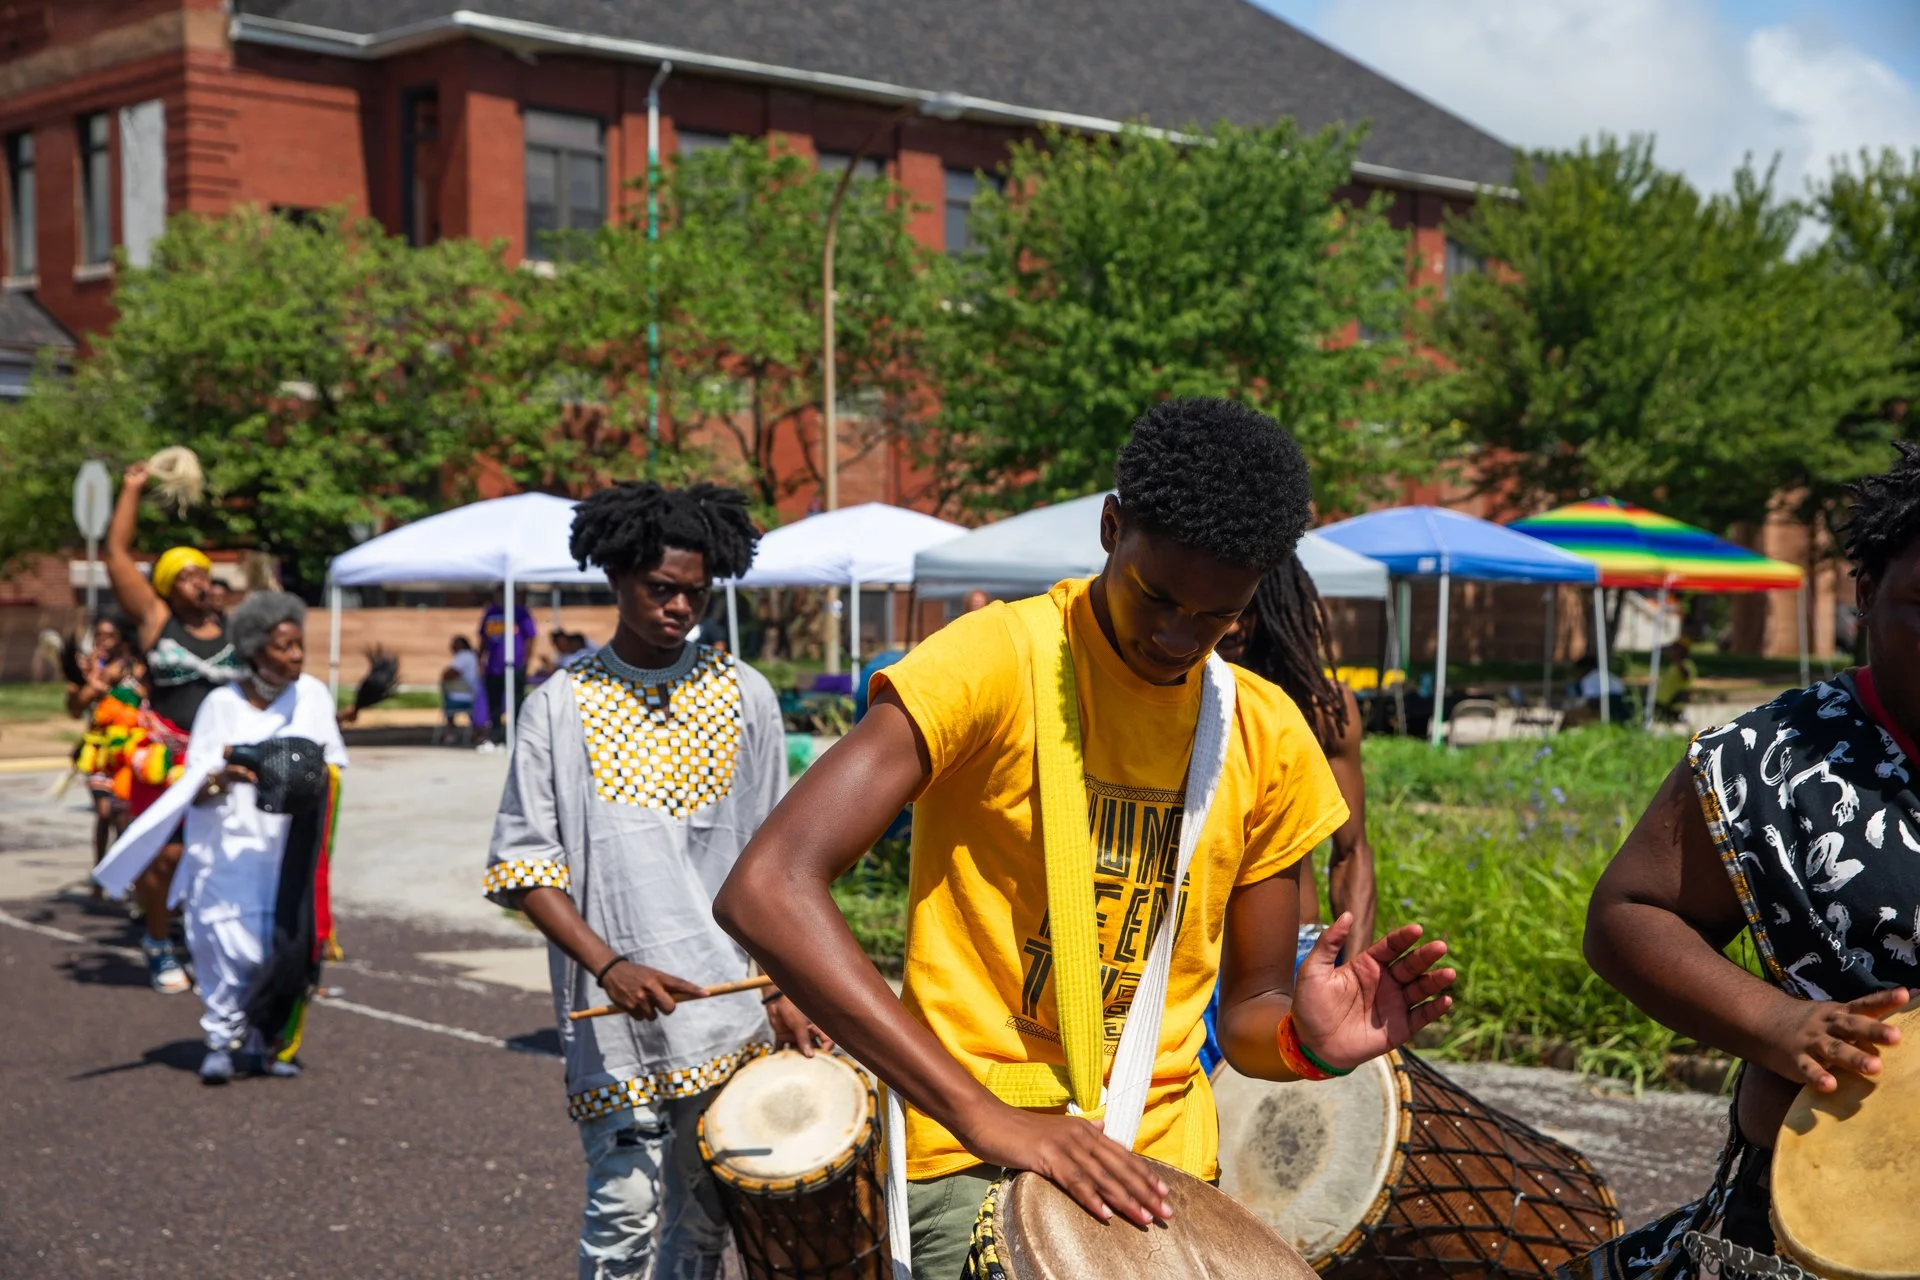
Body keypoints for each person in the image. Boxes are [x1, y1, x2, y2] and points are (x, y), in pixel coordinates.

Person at [713, 398, 1456, 1278]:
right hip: (971, 1155)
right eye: (1158, 597)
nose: (1178, 637)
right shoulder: (994, 660)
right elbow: (767, 885)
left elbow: (1250, 1008)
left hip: (1167, 1173)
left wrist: (1306, 1041)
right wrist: (988, 1118)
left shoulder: (1266, 734)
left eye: (1217, 616)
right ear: (1112, 527)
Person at [1578, 442, 1920, 1271]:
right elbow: (1628, 915)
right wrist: (1780, 1024)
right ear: (1866, 595)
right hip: (1844, 1202)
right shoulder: (1771, 760)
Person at [484, 482, 828, 1280]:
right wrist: (611, 965)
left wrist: (782, 985)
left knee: (705, 1222)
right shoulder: (557, 708)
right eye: (660, 589)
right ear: (616, 579)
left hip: (725, 1014)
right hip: (615, 1022)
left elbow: (779, 858)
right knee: (623, 1213)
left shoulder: (747, 697)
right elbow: (526, 867)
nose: (678, 607)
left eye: (694, 593)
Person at [95, 592, 349, 1084]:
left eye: (299, 646)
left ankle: (262, 1038)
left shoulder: (314, 695)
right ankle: (218, 1037)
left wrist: (303, 775)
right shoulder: (221, 704)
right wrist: (230, 774)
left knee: (279, 948)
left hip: (287, 849)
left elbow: (334, 765)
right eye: (285, 647)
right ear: (255, 651)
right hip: (226, 845)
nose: (297, 656)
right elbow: (197, 779)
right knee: (225, 945)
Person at [1194, 556, 1379, 1075]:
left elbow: (1352, 851)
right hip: (1183, 956)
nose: (1231, 624)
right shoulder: (1170, 696)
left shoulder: (1321, 708)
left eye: (1247, 608)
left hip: (1290, 961)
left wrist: (1354, 977)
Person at [104, 460, 243, 994]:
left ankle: (207, 937)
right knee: (163, 856)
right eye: (185, 576)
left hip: (221, 759)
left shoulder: (233, 627)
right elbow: (117, 555)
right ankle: (159, 944)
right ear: (165, 585)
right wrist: (132, 489)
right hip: (164, 756)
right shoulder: (157, 621)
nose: (197, 583)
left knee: (219, 855)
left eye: (202, 573)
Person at [65, 614, 143, 887]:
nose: (103, 642)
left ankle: (122, 875)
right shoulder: (88, 669)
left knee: (124, 817)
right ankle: (100, 873)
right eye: (99, 636)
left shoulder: (137, 668)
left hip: (128, 755)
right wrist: (94, 685)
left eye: (110, 636)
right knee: (104, 812)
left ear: (122, 638)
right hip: (98, 756)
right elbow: (74, 709)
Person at [478, 588, 537, 746]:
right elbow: (483, 638)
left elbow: (530, 638)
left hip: (515, 665)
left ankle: (517, 736)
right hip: (493, 667)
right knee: (494, 704)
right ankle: (495, 737)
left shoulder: (520, 613)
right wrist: (480, 659)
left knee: (517, 702)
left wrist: (526, 662)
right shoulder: (491, 613)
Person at [1654, 635, 1696, 722]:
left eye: (1677, 648)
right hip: (1661, 701)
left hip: (1671, 704)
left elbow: (1685, 675)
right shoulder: (1674, 665)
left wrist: (1675, 658)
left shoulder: (1688, 665)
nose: (1674, 650)